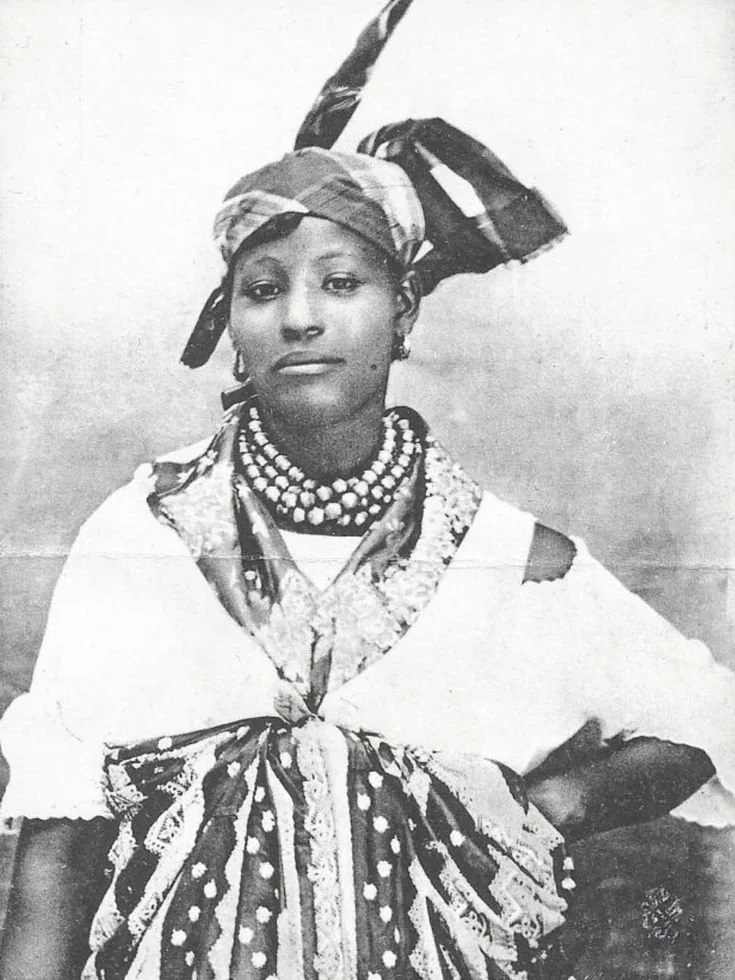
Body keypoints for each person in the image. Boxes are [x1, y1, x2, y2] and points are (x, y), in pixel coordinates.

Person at [0, 3, 733, 978]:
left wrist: (550, 804)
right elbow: (57, 853)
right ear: (232, 326)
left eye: (341, 283)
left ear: (404, 310)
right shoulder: (146, 535)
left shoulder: (504, 554)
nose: (300, 317)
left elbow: (700, 717)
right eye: (264, 288)